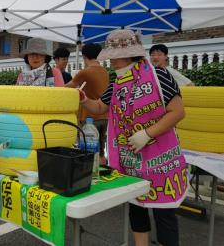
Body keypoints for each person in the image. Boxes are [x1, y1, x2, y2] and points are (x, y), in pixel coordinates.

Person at [80, 30, 188, 246]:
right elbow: (101, 106)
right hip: (131, 158)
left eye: (115, 56)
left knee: (164, 212)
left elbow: (178, 112)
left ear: (130, 55)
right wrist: (83, 100)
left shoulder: (159, 76)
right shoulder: (117, 82)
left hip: (161, 158)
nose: (111, 61)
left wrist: (147, 134)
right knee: (136, 206)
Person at [65, 43, 109, 162]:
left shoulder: (85, 72)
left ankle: (91, 176)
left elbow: (69, 86)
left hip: (89, 117)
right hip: (104, 116)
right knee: (100, 151)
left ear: (84, 56)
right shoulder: (104, 71)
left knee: (88, 151)